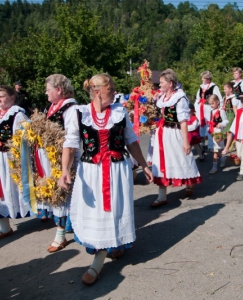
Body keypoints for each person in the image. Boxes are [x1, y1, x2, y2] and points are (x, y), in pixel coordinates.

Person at [59, 73, 153, 285]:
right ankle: (106, 248)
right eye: (111, 90)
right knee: (97, 213)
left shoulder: (119, 111)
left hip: (117, 170)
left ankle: (98, 262)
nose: (114, 93)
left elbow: (131, 141)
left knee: (114, 211)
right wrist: (65, 170)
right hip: (91, 172)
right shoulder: (79, 113)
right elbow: (71, 144)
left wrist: (144, 165)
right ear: (97, 91)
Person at [35, 74, 78, 252]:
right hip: (51, 158)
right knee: (57, 192)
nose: (46, 93)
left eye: (48, 89)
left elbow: (71, 137)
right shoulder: (51, 107)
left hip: (64, 158)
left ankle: (61, 234)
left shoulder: (71, 108)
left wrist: (65, 163)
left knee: (64, 193)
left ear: (59, 90)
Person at [150, 69, 202, 207]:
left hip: (175, 132)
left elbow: (183, 121)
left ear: (170, 83)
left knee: (182, 157)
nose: (159, 85)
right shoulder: (162, 98)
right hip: (163, 133)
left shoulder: (180, 98)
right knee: (161, 162)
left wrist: (186, 142)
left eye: (162, 82)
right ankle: (161, 196)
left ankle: (190, 182)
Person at [0, 85, 31, 239]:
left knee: (14, 189)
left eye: (2, 96)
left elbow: (28, 137)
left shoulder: (17, 115)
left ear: (12, 98)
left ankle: (49, 214)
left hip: (10, 158)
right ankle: (4, 227)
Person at [195, 71, 221, 142]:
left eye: (203, 78)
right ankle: (202, 141)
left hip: (209, 107)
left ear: (208, 79)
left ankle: (210, 140)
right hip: (201, 108)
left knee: (209, 122)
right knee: (201, 123)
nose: (202, 79)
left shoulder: (213, 87)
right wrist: (196, 106)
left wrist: (219, 109)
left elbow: (218, 98)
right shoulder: (201, 87)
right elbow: (198, 98)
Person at [207, 95, 228, 174]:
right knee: (214, 150)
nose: (211, 105)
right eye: (210, 104)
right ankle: (222, 158)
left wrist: (221, 124)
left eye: (213, 103)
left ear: (217, 102)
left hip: (218, 132)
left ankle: (214, 167)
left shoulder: (221, 111)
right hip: (212, 132)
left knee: (215, 151)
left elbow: (226, 121)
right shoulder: (211, 111)